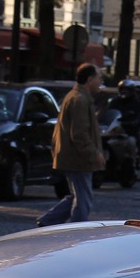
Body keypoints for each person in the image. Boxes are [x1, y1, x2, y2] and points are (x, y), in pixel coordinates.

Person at [37, 64, 105, 227]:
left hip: (74, 156)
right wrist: (94, 153)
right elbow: (79, 134)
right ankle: (77, 231)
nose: (101, 82)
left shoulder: (78, 97)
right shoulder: (79, 100)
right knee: (83, 199)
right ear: (89, 79)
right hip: (78, 159)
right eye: (99, 78)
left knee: (78, 195)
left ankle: (47, 222)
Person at [112, 77, 140, 164]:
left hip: (131, 130)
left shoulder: (138, 103)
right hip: (115, 130)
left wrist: (134, 123)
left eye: (126, 90)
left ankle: (136, 158)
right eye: (122, 89)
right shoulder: (115, 101)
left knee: (133, 140)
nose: (124, 92)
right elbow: (109, 112)